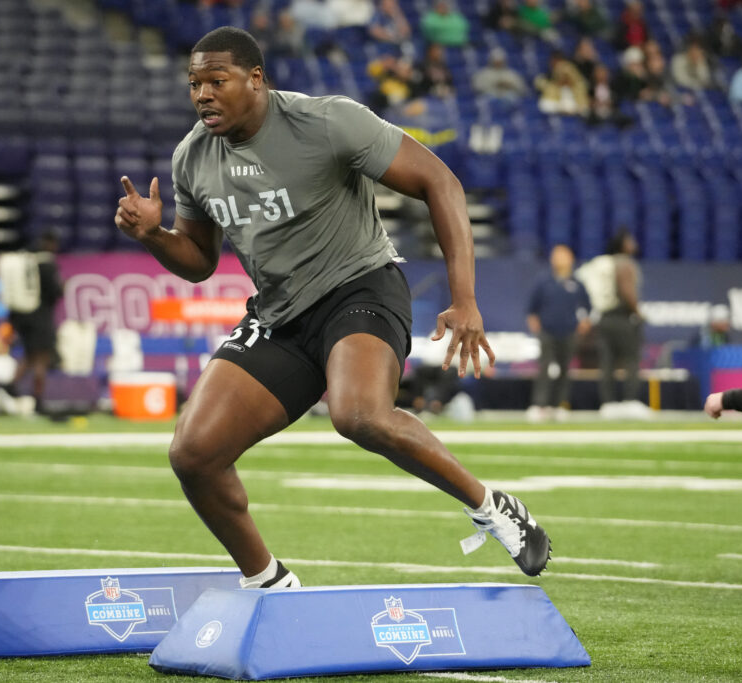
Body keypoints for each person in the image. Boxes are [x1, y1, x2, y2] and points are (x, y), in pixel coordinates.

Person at [114, 26, 552, 588]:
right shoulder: (193, 156)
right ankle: (269, 582)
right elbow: (199, 260)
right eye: (194, 83)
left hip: (360, 287)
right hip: (279, 313)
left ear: (256, 79)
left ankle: (490, 505)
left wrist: (464, 299)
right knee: (194, 453)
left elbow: (440, 182)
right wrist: (154, 235)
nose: (202, 94)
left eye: (216, 81)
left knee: (359, 414)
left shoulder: (325, 121)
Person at [578, 229, 647, 419]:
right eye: (630, 239)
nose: (634, 243)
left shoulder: (603, 263)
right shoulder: (624, 263)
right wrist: (638, 313)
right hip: (622, 316)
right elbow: (626, 290)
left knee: (607, 362)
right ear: (623, 243)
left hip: (604, 318)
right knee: (631, 359)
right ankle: (630, 401)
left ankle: (608, 403)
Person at [526, 245, 591, 422]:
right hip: (547, 331)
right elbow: (532, 309)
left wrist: (584, 323)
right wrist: (536, 326)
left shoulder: (577, 283)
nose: (558, 259)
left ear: (570, 258)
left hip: (569, 332)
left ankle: (558, 405)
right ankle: (540, 405)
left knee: (565, 370)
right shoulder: (543, 281)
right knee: (544, 368)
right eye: (555, 255)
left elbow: (587, 307)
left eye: (562, 255)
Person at [7, 231, 64, 412]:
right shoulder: (47, 265)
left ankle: (12, 384)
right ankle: (38, 399)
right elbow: (55, 292)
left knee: (30, 355)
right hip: (41, 319)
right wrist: (63, 286)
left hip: (24, 317)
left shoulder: (27, 263)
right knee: (41, 358)